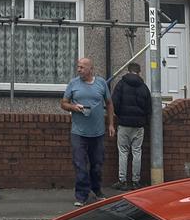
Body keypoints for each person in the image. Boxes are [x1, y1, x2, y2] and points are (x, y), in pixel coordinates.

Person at [61, 56, 115, 208]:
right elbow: (63, 103)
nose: (78, 70)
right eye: (78, 67)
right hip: (78, 132)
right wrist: (73, 107)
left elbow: (109, 103)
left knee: (97, 164)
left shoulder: (101, 83)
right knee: (80, 164)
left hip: (98, 132)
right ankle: (81, 195)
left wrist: (111, 124)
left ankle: (97, 190)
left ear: (91, 69)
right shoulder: (73, 83)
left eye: (82, 67)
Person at [111, 61, 152, 190]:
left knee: (123, 152)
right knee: (137, 152)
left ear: (128, 71)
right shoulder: (144, 87)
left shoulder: (121, 85)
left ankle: (122, 180)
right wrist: (144, 121)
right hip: (138, 125)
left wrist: (120, 115)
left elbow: (114, 103)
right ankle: (136, 181)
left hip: (124, 124)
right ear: (139, 72)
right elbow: (148, 107)